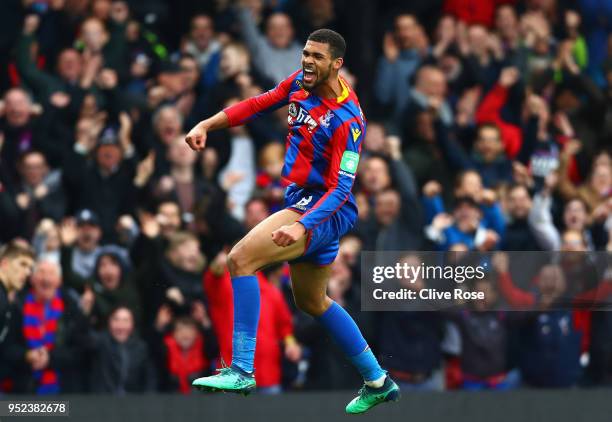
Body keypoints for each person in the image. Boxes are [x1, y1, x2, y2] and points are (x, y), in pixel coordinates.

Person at [185, 29, 399, 414]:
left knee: (240, 259)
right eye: (305, 53)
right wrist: (206, 124)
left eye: (317, 57)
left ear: (337, 64)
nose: (307, 62)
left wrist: (303, 225)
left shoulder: (349, 120)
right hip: (303, 204)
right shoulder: (300, 83)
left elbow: (340, 188)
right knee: (313, 301)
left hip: (321, 210)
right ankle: (377, 380)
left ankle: (241, 368)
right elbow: (257, 104)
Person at [0, 241, 35, 385]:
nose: (27, 272)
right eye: (22, 264)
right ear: (4, 264)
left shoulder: (7, 302)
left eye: (30, 268)